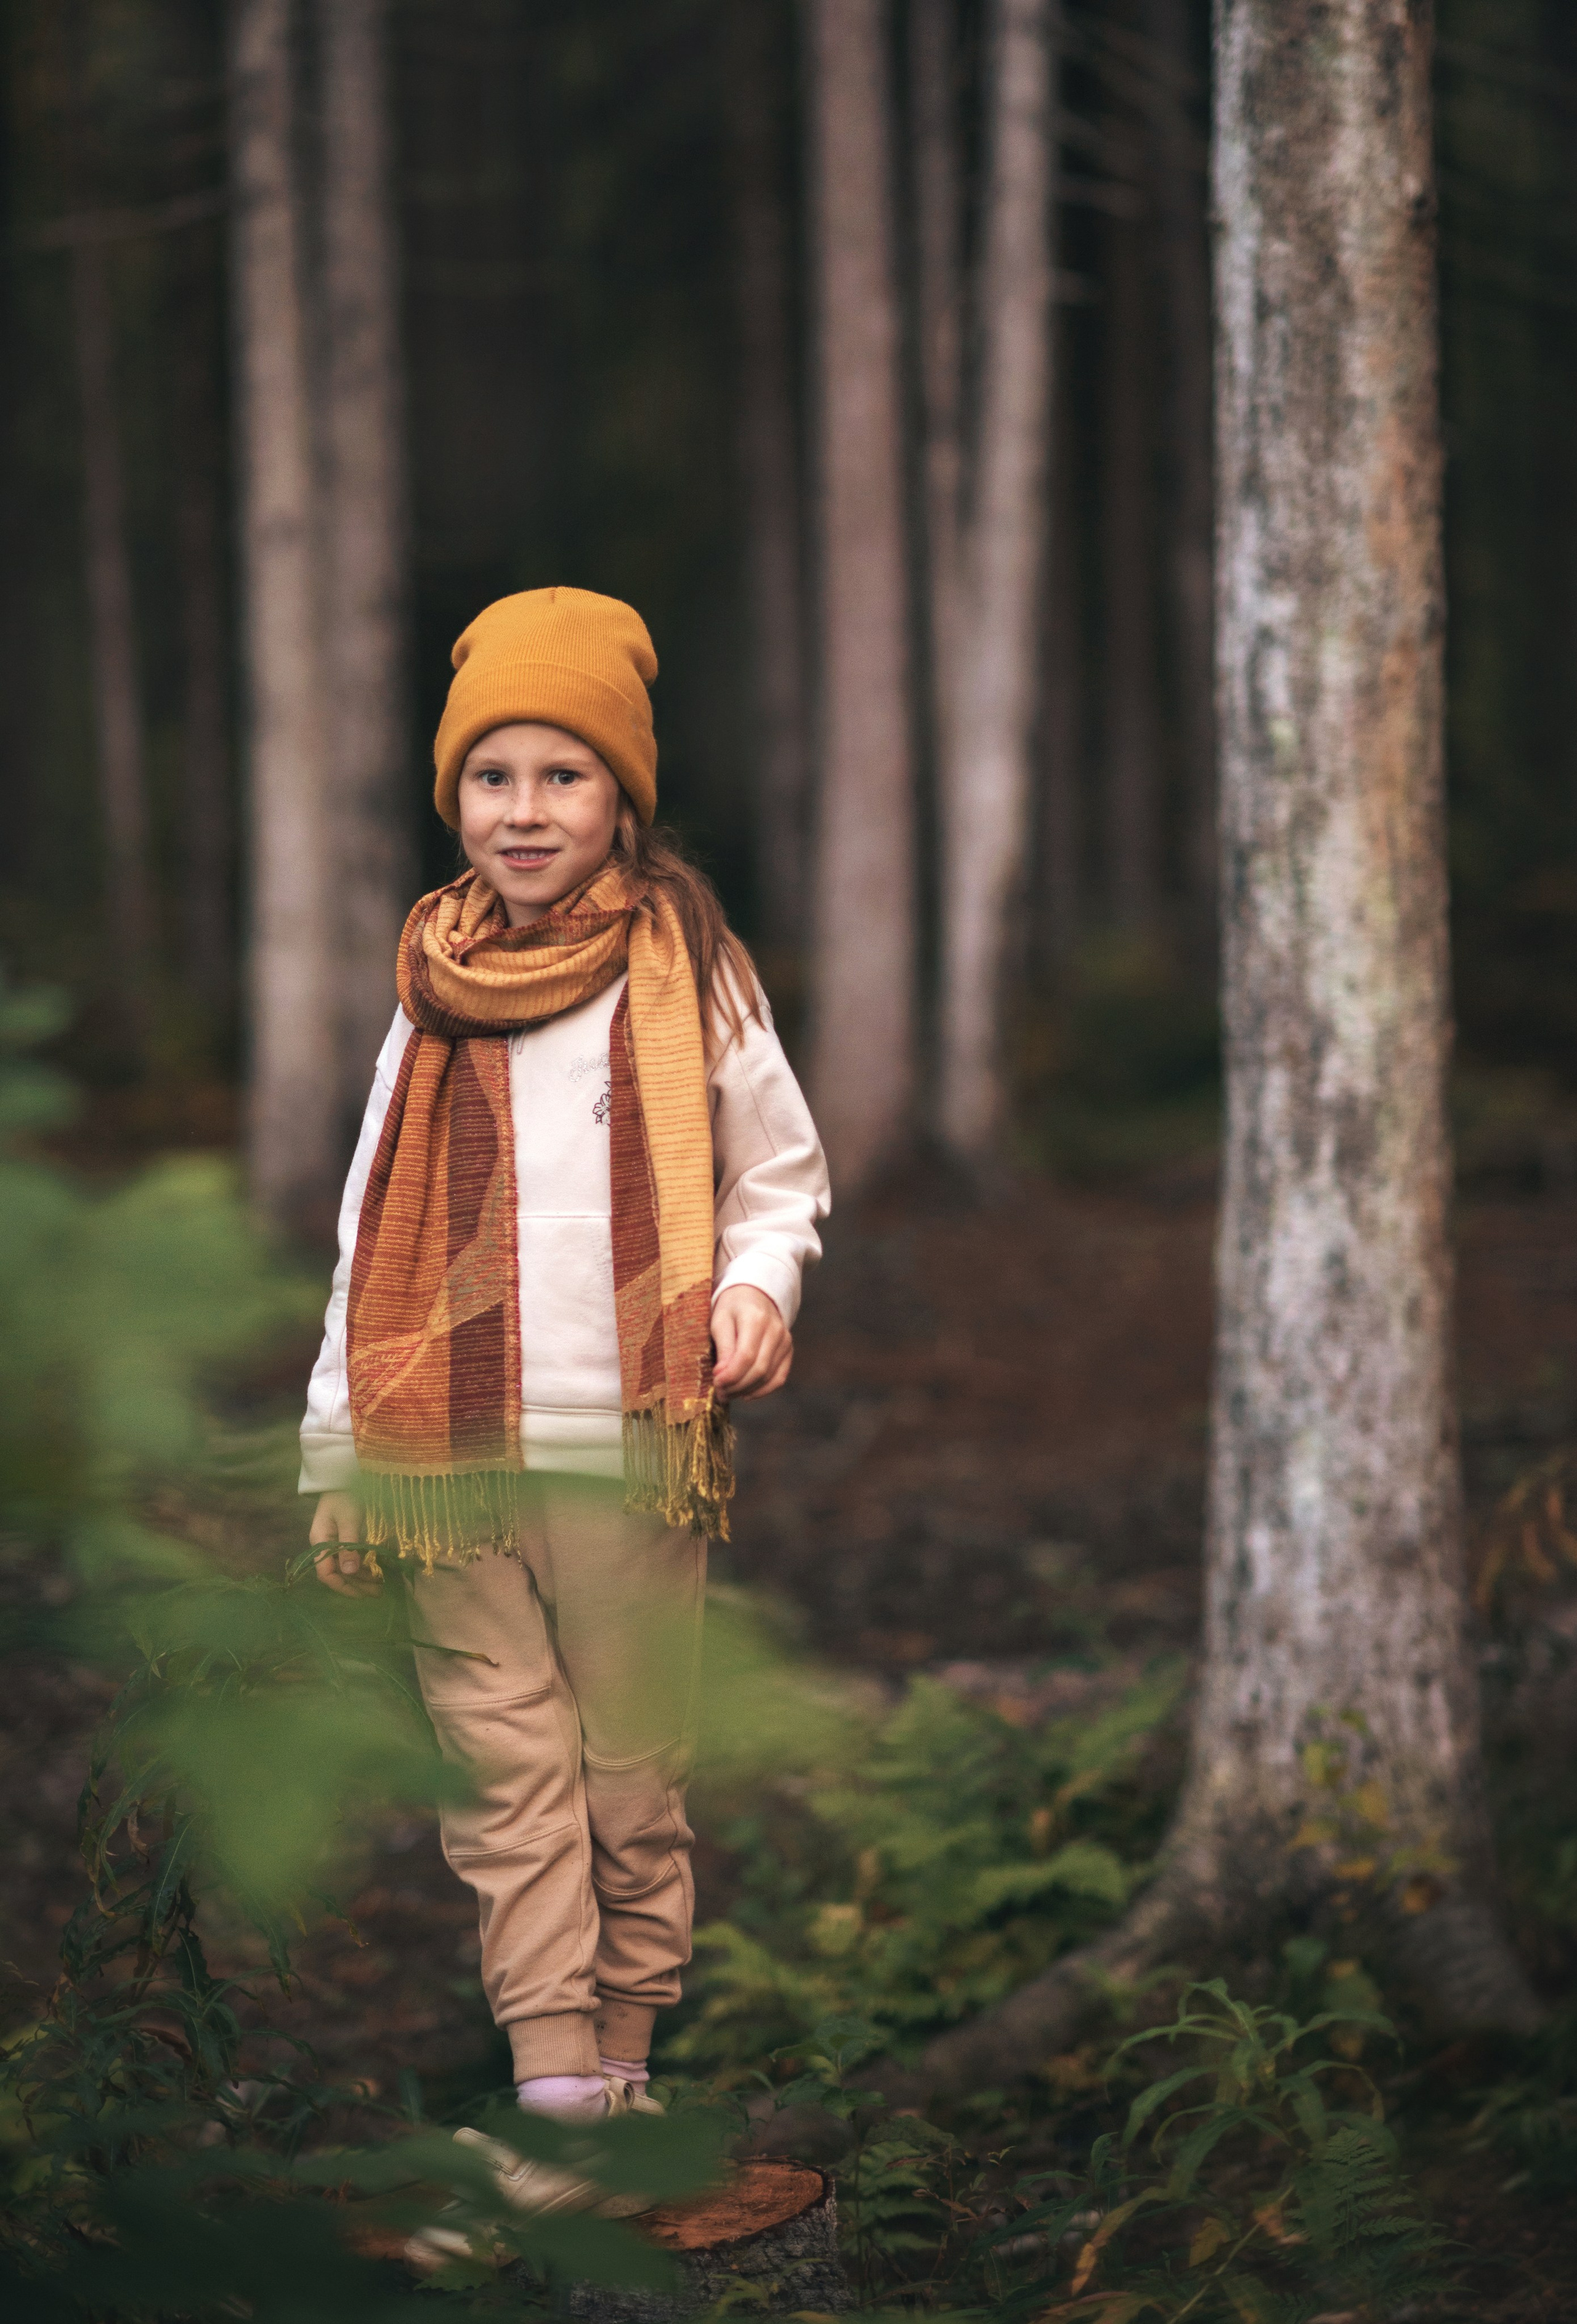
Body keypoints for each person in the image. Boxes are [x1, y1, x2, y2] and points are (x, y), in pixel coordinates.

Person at [298, 586, 829, 2168]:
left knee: (626, 1758)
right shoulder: (430, 992)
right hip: (441, 1451)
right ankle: (550, 2088)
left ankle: (625, 2060)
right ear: (451, 797)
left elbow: (778, 1175)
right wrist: (337, 1457)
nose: (523, 813)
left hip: (625, 1441)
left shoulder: (691, 973)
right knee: (500, 1758)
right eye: (492, 778)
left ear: (621, 799)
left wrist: (753, 1285)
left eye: (562, 776)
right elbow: (360, 1244)